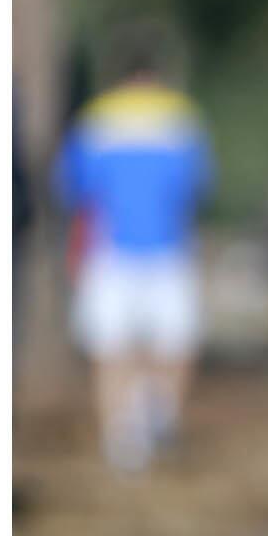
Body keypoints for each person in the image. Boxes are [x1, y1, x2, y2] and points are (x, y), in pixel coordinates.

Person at [54, 33, 212, 473]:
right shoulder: (182, 118)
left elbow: (73, 188)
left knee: (111, 350)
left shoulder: (95, 120)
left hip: (111, 251)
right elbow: (198, 186)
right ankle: (160, 415)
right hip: (168, 248)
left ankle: (121, 440)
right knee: (175, 344)